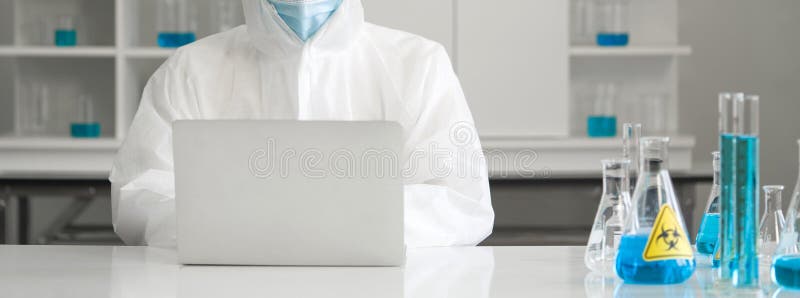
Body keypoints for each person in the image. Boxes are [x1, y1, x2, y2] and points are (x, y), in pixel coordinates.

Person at [109, 0, 494, 248]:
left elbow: (461, 203)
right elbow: (139, 195)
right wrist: (259, 229)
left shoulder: (419, 64)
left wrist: (332, 223)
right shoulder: (190, 70)